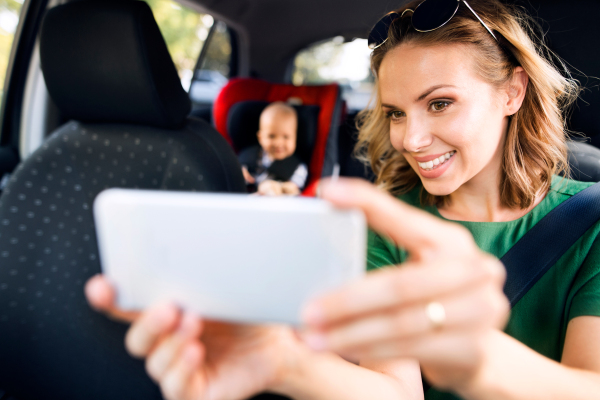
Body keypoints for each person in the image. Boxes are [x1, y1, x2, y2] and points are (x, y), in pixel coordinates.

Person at [85, 0, 600, 399]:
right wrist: (283, 362)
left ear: (512, 92)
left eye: (440, 103)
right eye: (396, 113)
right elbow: (395, 391)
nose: (411, 139)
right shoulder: (386, 223)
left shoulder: (590, 221)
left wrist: (479, 361)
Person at [239, 101, 308, 196]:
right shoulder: (249, 157)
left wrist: (281, 188)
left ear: (295, 139)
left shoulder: (298, 168)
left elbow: (294, 190)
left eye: (286, 137)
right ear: (260, 138)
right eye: (271, 136)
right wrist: (241, 174)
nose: (278, 143)